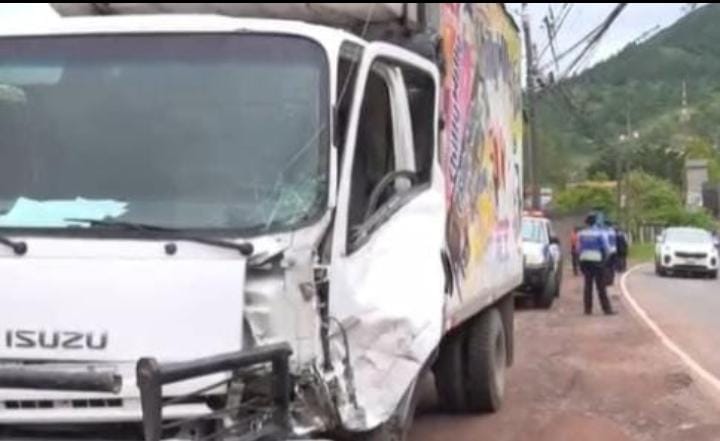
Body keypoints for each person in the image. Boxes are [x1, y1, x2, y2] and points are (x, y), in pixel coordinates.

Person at [578, 213, 615, 315]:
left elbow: (578, 248)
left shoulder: (581, 233)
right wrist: (605, 259)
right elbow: (607, 249)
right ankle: (607, 309)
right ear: (595, 222)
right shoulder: (600, 233)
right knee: (601, 286)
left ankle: (587, 309)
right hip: (597, 261)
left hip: (585, 261)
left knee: (587, 285)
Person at [604, 220, 618, 286]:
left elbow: (606, 243)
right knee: (612, 266)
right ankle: (611, 280)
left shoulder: (606, 232)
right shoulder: (613, 231)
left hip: (608, 251)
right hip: (614, 250)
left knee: (607, 267)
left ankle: (608, 281)